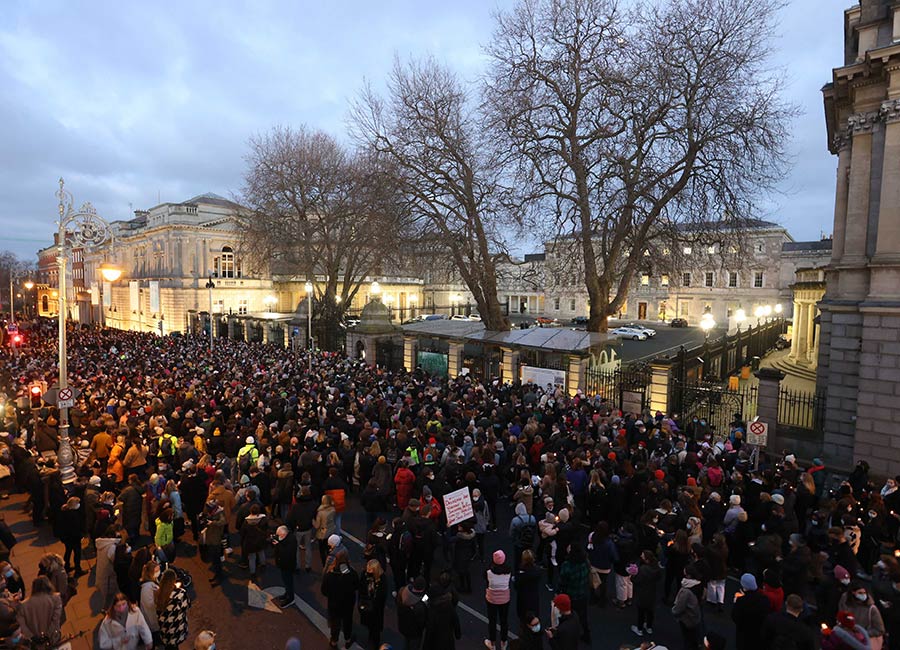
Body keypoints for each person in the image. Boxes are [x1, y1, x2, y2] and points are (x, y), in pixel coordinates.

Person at [321, 549, 358, 649]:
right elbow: (356, 586)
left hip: (334, 603)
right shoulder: (352, 573)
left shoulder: (330, 574)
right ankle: (348, 639)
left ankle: (334, 641)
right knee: (347, 621)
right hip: (348, 603)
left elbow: (324, 590)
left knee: (335, 622)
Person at [556, 545, 591, 644]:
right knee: (583, 616)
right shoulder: (585, 562)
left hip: (570, 595)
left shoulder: (567, 566)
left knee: (567, 616)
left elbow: (562, 581)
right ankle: (586, 634)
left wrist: (558, 592)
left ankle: (567, 635)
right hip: (582, 594)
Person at [15, 576, 62, 645]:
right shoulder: (56, 599)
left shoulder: (23, 605)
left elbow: (22, 625)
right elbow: (55, 619)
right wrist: (47, 635)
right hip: (52, 638)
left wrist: (32, 637)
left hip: (35, 642)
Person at [837, 583, 885, 649]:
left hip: (865, 643)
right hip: (849, 642)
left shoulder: (872, 609)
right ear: (853, 593)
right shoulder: (848, 605)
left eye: (864, 592)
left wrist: (863, 633)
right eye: (860, 593)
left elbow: (880, 630)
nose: (863, 595)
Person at [731, 573, 771, 650]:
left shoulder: (741, 601)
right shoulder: (765, 599)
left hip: (744, 634)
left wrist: (737, 602)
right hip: (759, 633)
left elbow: (735, 617)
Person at [422, 571, 461, 650]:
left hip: (434, 636)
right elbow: (456, 621)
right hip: (446, 636)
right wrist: (458, 634)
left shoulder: (433, 588)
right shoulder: (450, 606)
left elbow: (425, 599)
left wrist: (425, 605)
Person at [157, 568, 191, 650]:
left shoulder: (158, 593)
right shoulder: (179, 593)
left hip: (165, 628)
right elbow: (187, 606)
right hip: (176, 627)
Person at [485, 549, 512, 650]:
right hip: (505, 600)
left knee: (492, 621)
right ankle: (503, 642)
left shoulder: (488, 572)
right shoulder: (508, 571)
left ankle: (492, 643)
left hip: (491, 600)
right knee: (504, 621)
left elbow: (486, 582)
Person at [631, 550, 662, 637]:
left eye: (643, 556)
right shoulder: (656, 568)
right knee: (650, 611)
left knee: (641, 612)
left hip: (642, 592)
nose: (641, 557)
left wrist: (632, 576)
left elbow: (635, 580)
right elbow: (659, 578)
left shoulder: (643, 569)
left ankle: (639, 629)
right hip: (652, 592)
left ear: (647, 559)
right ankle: (649, 627)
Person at [671, 566, 703, 650]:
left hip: (687, 618)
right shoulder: (699, 584)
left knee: (687, 639)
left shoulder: (685, 591)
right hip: (695, 615)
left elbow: (679, 607)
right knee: (693, 638)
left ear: (688, 575)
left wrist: (673, 611)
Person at [359, 559, 387, 649]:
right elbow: (361, 587)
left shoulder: (382, 579)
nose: (368, 571)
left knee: (376, 628)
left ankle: (375, 642)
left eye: (370, 570)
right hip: (367, 603)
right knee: (369, 624)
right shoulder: (364, 574)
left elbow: (382, 595)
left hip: (376, 608)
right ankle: (371, 636)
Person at [55, 495, 86, 575]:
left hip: (66, 538)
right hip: (74, 538)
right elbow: (76, 528)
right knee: (77, 553)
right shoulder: (73, 515)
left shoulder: (64, 512)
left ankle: (66, 567)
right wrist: (80, 535)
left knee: (68, 551)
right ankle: (78, 570)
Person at [396, 576, 428, 650]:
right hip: (415, 632)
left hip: (403, 625)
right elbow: (422, 621)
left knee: (406, 642)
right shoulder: (420, 605)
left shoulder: (402, 591)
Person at [200, 499, 226, 586]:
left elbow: (223, 522)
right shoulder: (212, 513)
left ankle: (219, 577)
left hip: (216, 540)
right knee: (214, 560)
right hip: (211, 539)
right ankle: (217, 575)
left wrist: (212, 523)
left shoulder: (219, 513)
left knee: (216, 560)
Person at [274, 525, 298, 608]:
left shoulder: (291, 541)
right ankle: (287, 593)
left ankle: (290, 598)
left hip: (287, 565)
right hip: (283, 564)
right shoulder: (287, 538)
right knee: (286, 581)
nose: (278, 537)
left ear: (284, 534)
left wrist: (278, 545)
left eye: (279, 535)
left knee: (288, 582)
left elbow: (286, 554)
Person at [139, 561, 161, 644]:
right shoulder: (147, 588)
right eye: (156, 571)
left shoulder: (151, 581)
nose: (158, 572)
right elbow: (149, 606)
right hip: (152, 621)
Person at [314, 494, 338, 568]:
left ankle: (325, 565)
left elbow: (317, 525)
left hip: (322, 533)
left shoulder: (320, 512)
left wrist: (312, 521)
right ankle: (331, 563)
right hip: (330, 531)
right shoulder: (333, 510)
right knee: (329, 550)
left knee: (322, 551)